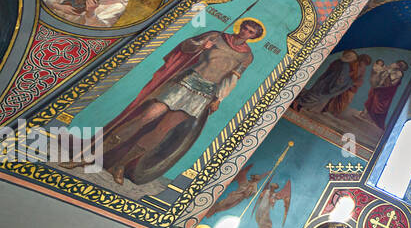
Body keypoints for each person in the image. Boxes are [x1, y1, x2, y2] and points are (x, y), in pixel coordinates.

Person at [65, 19, 263, 186]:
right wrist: (201, 45)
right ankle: (90, 156)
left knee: (161, 131)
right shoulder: (216, 35)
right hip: (187, 81)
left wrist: (219, 98)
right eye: (245, 28)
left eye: (251, 32)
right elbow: (185, 47)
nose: (246, 32)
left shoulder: (248, 56)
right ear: (240, 27)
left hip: (205, 93)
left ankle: (121, 165)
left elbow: (232, 78)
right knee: (145, 118)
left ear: (253, 37)